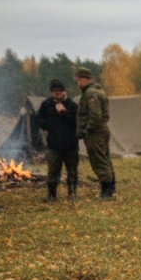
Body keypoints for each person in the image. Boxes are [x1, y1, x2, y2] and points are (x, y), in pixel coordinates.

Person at [74, 67, 116, 200]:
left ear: (84, 79)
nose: (77, 82)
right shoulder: (97, 91)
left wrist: (86, 130)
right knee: (104, 159)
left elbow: (95, 116)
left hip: (95, 133)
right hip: (99, 131)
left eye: (78, 79)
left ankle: (106, 191)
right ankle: (110, 187)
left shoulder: (91, 94)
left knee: (99, 161)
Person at [34, 79, 79, 201]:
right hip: (54, 144)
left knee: (72, 170)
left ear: (64, 92)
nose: (57, 94)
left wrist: (64, 112)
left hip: (70, 144)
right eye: (54, 92)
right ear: (51, 92)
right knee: (53, 170)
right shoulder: (46, 104)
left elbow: (76, 122)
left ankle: (72, 193)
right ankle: (51, 194)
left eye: (59, 91)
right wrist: (48, 125)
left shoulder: (72, 105)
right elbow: (38, 119)